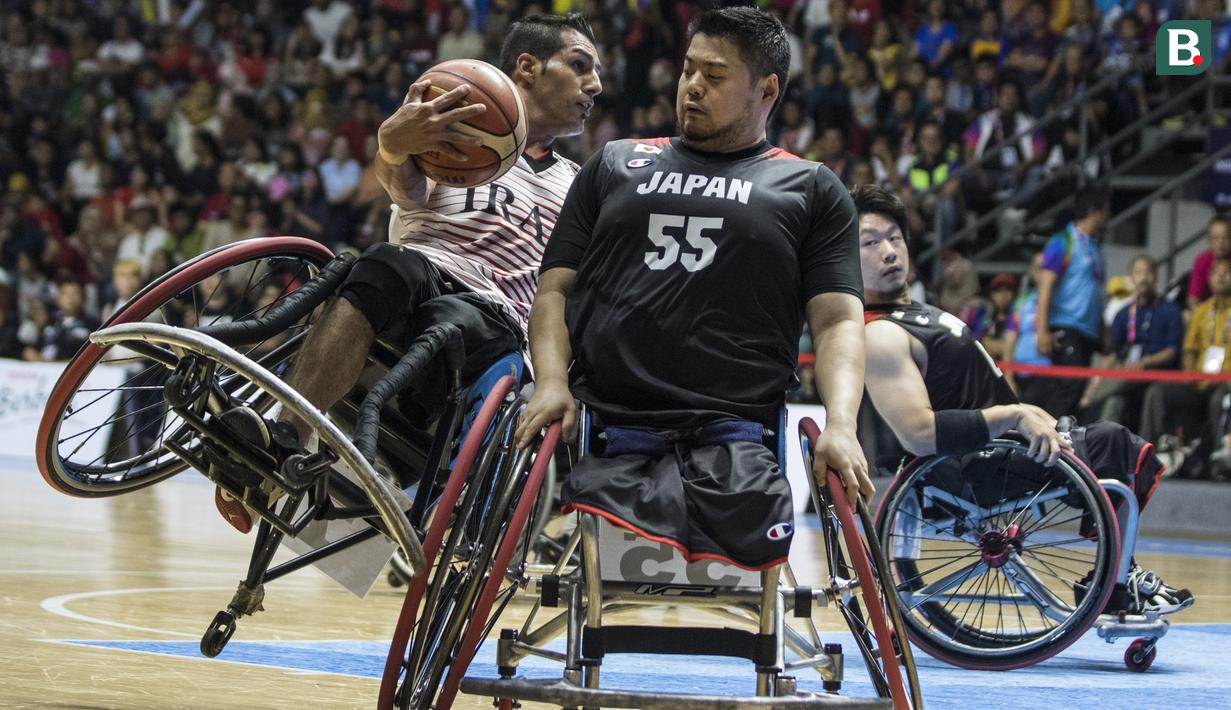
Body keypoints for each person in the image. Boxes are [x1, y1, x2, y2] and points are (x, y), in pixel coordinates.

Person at [215, 13, 603, 533]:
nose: (594, 85)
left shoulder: (581, 186)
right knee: (379, 264)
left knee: (454, 315)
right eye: (580, 66)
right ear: (528, 68)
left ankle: (428, 496)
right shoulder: (449, 122)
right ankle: (280, 439)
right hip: (420, 268)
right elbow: (403, 186)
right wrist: (392, 145)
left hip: (497, 320)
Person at [514, 6, 870, 572]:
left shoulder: (811, 187)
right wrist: (551, 383)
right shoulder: (614, 162)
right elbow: (555, 289)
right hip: (612, 419)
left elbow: (838, 322)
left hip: (736, 430)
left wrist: (843, 426)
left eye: (715, 75)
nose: (692, 88)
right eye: (688, 71)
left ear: (766, 89)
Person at [854, 183, 1193, 615]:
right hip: (974, 470)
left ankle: (1115, 574)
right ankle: (1115, 580)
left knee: (1102, 441)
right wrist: (1015, 413)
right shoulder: (881, 334)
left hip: (996, 452)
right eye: (870, 242)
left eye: (894, 238)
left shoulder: (913, 312)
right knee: (1112, 441)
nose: (888, 251)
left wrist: (1029, 414)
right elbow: (918, 434)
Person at [1033, 187, 1111, 417]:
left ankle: (1063, 443)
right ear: (1094, 212)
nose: (1108, 216)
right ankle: (1044, 438)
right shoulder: (1063, 241)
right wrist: (1042, 329)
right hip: (1067, 327)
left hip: (1087, 331)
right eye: (1106, 210)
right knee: (1068, 388)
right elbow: (1045, 284)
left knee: (1075, 391)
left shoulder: (1096, 247)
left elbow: (1095, 293)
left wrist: (1103, 328)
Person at [1079, 255, 1182, 428]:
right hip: (1127, 374)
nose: (1144, 277)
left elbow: (1171, 352)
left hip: (1157, 372)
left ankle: (1087, 400)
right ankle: (1105, 445)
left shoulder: (1170, 310)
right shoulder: (1123, 314)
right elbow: (1112, 354)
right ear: (1131, 278)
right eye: (1138, 272)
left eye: (1148, 272)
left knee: (1125, 381)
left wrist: (1144, 362)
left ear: (1156, 276)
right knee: (1114, 401)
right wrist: (1096, 380)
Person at [1186, 214, 1231, 310]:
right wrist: (1203, 318)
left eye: (1226, 237)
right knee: (1187, 316)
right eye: (1216, 238)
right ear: (1209, 242)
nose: (1221, 242)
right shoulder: (1202, 261)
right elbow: (1193, 299)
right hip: (1209, 311)